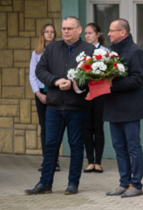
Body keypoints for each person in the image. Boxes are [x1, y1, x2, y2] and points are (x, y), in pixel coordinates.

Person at [25, 16, 95, 195]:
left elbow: (94, 77)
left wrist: (74, 84)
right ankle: (45, 183)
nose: (65, 31)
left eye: (69, 28)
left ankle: (73, 184)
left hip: (77, 106)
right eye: (63, 28)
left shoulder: (89, 50)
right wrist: (56, 81)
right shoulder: (52, 48)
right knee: (50, 145)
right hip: (54, 105)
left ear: (79, 30)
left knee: (76, 145)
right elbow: (40, 70)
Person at [103, 18, 143, 198]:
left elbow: (137, 79)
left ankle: (136, 184)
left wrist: (110, 84)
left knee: (133, 147)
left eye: (112, 30)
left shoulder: (135, 52)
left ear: (123, 32)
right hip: (113, 108)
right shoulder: (111, 52)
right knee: (119, 147)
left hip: (130, 109)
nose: (108, 33)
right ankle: (124, 183)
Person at [29, 23, 60, 173]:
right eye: (46, 32)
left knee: (56, 126)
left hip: (55, 91)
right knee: (45, 127)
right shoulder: (37, 52)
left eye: (52, 32)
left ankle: (56, 160)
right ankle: (46, 159)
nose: (49, 34)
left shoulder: (59, 51)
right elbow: (32, 75)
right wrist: (38, 93)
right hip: (41, 92)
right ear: (42, 34)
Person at [82, 23, 105, 174]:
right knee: (86, 127)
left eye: (90, 33)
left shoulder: (104, 51)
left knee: (98, 127)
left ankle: (98, 161)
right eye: (86, 33)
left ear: (98, 34)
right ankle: (90, 161)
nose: (87, 36)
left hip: (100, 93)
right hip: (84, 93)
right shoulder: (82, 51)